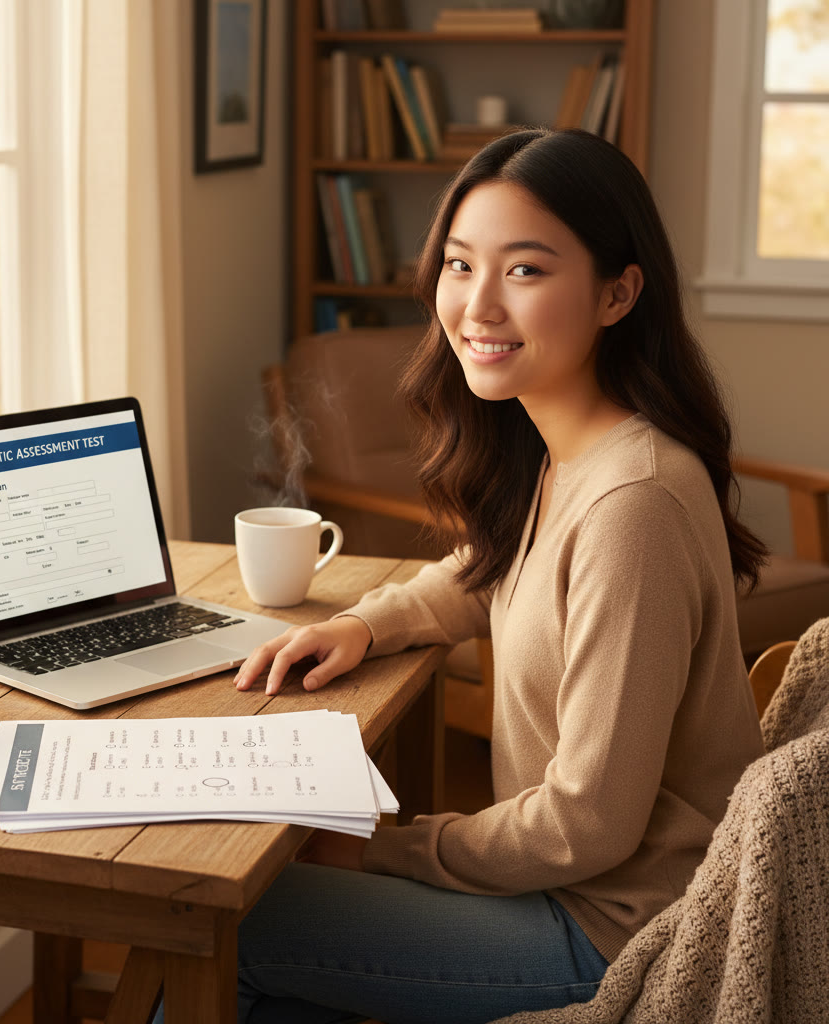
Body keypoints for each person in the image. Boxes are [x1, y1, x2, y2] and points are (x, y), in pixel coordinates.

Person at [230, 127, 768, 1024]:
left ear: (617, 292)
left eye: (525, 270)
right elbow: (488, 574)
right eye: (459, 264)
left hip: (617, 928)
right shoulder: (569, 448)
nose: (478, 305)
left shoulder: (633, 502)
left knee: (238, 927)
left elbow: (586, 822)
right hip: (576, 891)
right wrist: (366, 624)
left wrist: (387, 849)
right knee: (281, 970)